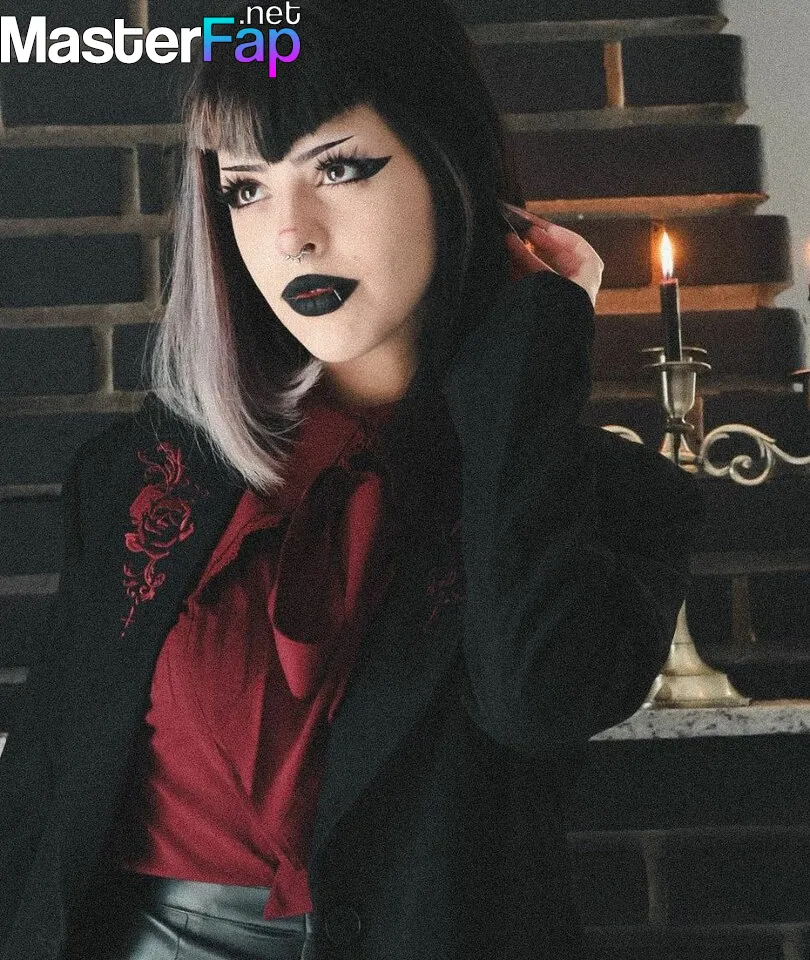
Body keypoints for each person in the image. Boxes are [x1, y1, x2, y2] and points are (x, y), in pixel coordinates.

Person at [0, 1, 703, 958]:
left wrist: (536, 351)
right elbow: (36, 808)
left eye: (338, 168)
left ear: (449, 170)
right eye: (245, 189)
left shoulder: (608, 494)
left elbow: (538, 702)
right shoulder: (138, 479)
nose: (291, 234)